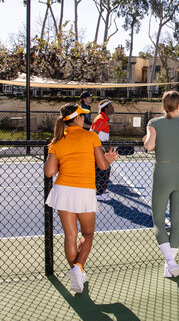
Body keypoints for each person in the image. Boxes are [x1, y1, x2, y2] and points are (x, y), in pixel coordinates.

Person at [44, 103, 118, 294]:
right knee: (87, 234)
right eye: (82, 116)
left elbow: (50, 171)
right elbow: (102, 166)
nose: (85, 118)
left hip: (63, 191)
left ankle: (76, 271)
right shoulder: (91, 136)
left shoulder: (56, 141)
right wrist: (108, 161)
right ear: (77, 118)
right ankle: (79, 269)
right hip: (84, 191)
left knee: (70, 235)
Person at [143, 91, 179, 278]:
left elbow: (149, 146)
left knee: (158, 220)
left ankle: (170, 262)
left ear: (164, 105)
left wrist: (147, 139)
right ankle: (171, 264)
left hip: (162, 173)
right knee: (177, 220)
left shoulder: (154, 123)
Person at [91, 99, 115, 201]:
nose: (113, 107)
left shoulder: (103, 119)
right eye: (111, 105)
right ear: (106, 108)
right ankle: (99, 193)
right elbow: (93, 135)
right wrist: (103, 146)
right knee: (103, 170)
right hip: (98, 150)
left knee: (103, 170)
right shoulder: (100, 119)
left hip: (100, 150)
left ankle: (100, 191)